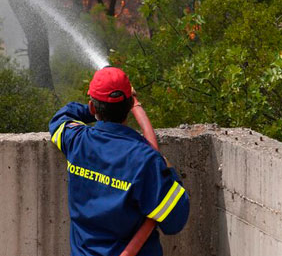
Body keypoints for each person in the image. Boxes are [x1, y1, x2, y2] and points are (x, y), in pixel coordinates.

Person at [49, 66, 189, 256]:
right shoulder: (146, 160)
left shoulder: (77, 141)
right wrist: (168, 171)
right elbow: (175, 221)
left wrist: (97, 107)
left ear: (92, 107)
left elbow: (61, 117)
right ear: (130, 104)